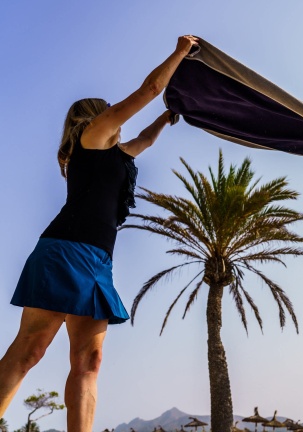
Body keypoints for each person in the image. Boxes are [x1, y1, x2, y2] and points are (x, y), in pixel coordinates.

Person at [0, 34, 199, 432]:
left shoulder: (116, 154)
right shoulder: (93, 136)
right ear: (96, 116)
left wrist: (165, 118)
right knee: (31, 351)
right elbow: (151, 88)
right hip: (63, 250)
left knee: (89, 362)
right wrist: (180, 52)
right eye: (112, 112)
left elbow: (142, 140)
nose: (118, 118)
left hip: (98, 262)